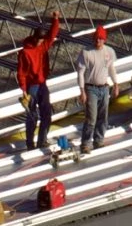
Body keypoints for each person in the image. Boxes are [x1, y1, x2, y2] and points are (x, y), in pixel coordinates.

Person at [17, 9, 63, 152]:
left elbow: (52, 35)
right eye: (40, 40)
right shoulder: (25, 52)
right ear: (35, 38)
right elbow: (21, 72)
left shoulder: (43, 46)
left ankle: (41, 141)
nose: (41, 42)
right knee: (32, 116)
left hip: (42, 84)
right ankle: (30, 142)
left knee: (46, 113)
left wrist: (55, 19)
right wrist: (24, 90)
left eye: (42, 40)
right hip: (32, 87)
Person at [74, 24, 118, 153]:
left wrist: (116, 84)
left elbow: (111, 68)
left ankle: (99, 140)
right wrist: (82, 91)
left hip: (104, 88)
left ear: (105, 40)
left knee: (103, 117)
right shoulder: (87, 53)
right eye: (97, 38)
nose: (98, 41)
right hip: (91, 88)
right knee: (91, 117)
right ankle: (86, 143)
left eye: (101, 39)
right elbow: (80, 72)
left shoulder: (109, 52)